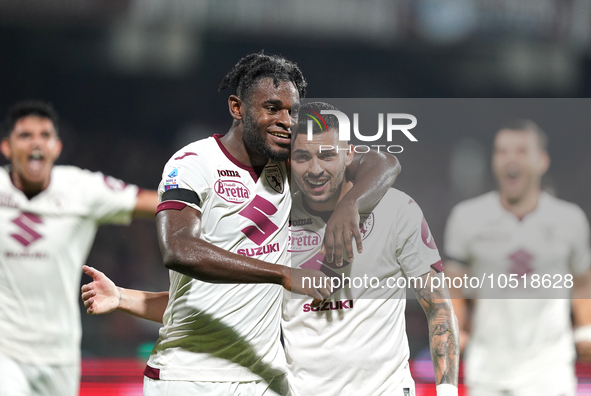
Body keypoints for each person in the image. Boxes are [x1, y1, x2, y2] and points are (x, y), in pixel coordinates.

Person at [82, 100, 458, 396]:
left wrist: (446, 391)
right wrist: (123, 298)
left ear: (349, 154)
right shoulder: (276, 220)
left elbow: (438, 306)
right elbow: (214, 306)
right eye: (302, 156)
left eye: (327, 154)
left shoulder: (399, 211)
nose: (315, 169)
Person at [0, 100, 159, 396]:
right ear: (7, 148)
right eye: (25, 135)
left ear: (57, 147)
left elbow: (155, 203)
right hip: (5, 351)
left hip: (60, 353)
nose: (36, 142)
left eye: (45, 135)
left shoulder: (82, 189)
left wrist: (213, 203)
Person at [444, 119, 591, 396]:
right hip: (488, 370)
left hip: (551, 371)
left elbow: (582, 280)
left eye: (521, 151)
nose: (510, 158)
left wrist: (586, 328)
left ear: (542, 161)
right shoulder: (467, 217)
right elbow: (454, 283)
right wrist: (454, 328)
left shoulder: (570, 220)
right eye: (502, 151)